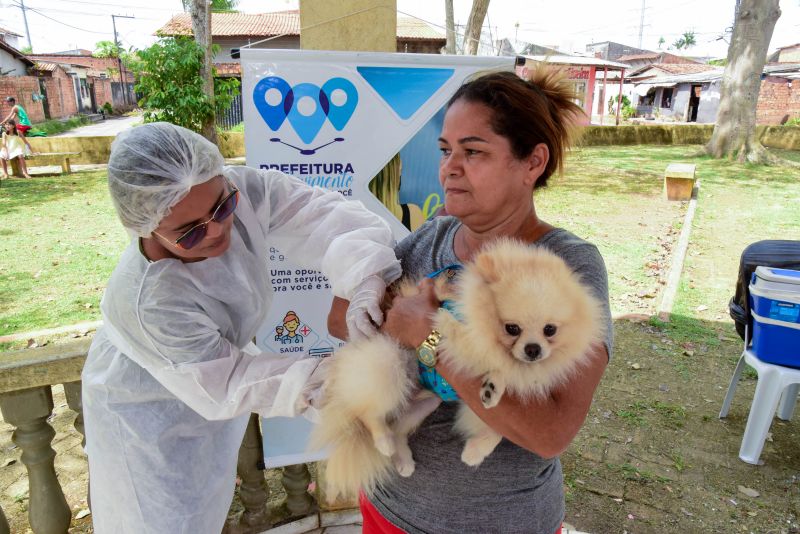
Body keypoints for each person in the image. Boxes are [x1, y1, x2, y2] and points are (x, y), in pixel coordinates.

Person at [329, 69, 614, 533]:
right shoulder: (431, 236)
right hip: (388, 508)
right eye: (446, 150)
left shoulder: (567, 265)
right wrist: (396, 321)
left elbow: (550, 432)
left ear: (532, 163)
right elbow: (340, 316)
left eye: (473, 151)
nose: (449, 167)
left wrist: (430, 338)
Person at [81, 122, 402, 534]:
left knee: (207, 507)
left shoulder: (239, 190)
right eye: (191, 231)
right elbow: (229, 381)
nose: (217, 230)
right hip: (145, 411)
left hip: (208, 379)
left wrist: (365, 277)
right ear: (145, 227)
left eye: (221, 208)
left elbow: (322, 215)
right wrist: (335, 383)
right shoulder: (149, 301)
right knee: (161, 519)